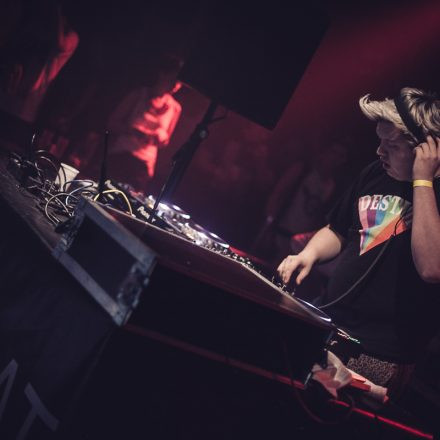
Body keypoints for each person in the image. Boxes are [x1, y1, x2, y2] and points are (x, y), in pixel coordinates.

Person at [277, 87, 440, 395]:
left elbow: (433, 267)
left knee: (323, 399)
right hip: (330, 326)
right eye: (380, 141)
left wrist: (423, 180)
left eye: (391, 145)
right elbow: (337, 229)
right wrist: (308, 254)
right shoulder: (375, 174)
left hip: (380, 356)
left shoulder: (433, 193)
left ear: (425, 150)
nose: (380, 152)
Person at [106, 55, 183, 191]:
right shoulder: (138, 94)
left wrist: (157, 139)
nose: (176, 85)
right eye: (174, 79)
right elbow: (111, 122)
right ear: (162, 74)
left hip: (144, 165)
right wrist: (132, 131)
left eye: (179, 82)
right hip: (121, 154)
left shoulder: (175, 108)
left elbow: (165, 142)